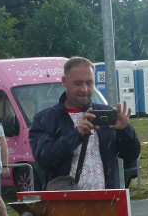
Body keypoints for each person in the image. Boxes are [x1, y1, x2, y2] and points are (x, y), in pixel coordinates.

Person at [30, 56, 140, 191]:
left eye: (89, 83)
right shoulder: (46, 118)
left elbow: (131, 155)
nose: (85, 89)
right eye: (78, 83)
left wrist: (125, 129)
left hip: (107, 203)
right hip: (66, 204)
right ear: (64, 81)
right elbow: (45, 159)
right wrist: (76, 134)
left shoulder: (106, 113)